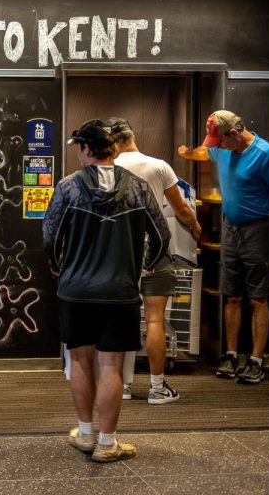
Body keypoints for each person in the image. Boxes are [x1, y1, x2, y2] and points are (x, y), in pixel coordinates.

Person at [43, 120, 169, 463]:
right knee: (111, 366)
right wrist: (147, 265)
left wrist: (58, 267)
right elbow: (161, 236)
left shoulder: (68, 187)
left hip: (76, 290)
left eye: (78, 148)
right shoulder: (139, 188)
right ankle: (107, 442)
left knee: (81, 362)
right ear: (113, 148)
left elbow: (50, 236)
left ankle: (85, 434)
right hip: (120, 292)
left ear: (86, 149)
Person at [109, 117, 202, 405]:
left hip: (119, 252)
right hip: (154, 248)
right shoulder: (159, 166)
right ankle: (157, 387)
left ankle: (122, 386)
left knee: (120, 319)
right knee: (154, 320)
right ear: (132, 136)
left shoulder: (107, 169)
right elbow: (182, 210)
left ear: (111, 142)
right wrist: (197, 233)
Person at [178, 110, 269, 385]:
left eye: (219, 141)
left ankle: (256, 359)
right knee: (231, 295)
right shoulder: (221, 149)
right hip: (231, 228)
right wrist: (186, 153)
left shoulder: (265, 154)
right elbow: (203, 153)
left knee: (258, 298)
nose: (216, 147)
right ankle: (230, 355)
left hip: (259, 229)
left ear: (234, 134)